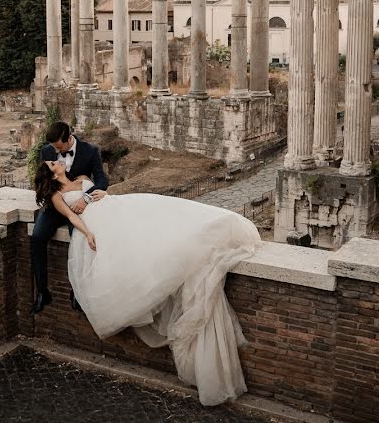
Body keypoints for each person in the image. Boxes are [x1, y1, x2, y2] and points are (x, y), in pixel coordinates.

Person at [34, 160, 260, 406]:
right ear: (52, 172)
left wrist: (99, 194)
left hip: (115, 208)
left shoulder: (80, 177)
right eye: (53, 162)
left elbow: (98, 189)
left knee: (160, 214)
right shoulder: (57, 195)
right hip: (100, 225)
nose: (58, 160)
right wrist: (88, 233)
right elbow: (71, 216)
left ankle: (217, 225)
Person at [30, 122, 108, 314]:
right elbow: (45, 180)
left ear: (69, 138)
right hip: (56, 204)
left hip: (80, 205)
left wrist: (86, 198)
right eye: (54, 147)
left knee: (79, 240)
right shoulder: (47, 151)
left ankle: (77, 292)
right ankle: (42, 291)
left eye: (59, 147)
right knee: (37, 237)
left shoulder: (90, 151)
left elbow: (102, 180)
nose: (55, 151)